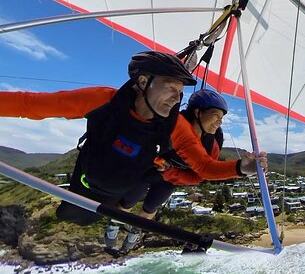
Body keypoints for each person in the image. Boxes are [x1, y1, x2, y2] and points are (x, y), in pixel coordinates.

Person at [0, 51, 266, 253]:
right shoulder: (104, 101)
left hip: (120, 191)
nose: (176, 97)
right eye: (170, 88)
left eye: (180, 92)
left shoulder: (174, 126)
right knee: (78, 213)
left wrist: (242, 167)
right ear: (143, 82)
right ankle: (113, 225)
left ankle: (123, 230)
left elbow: (204, 167)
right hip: (86, 184)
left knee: (133, 204)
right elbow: (28, 105)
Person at [106, 89, 268, 252]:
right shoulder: (174, 123)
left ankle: (134, 232)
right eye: (216, 115)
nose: (219, 122)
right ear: (198, 112)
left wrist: (170, 172)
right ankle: (114, 225)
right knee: (129, 201)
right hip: (147, 170)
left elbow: (201, 176)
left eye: (222, 118)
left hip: (171, 179)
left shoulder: (212, 143)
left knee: (150, 208)